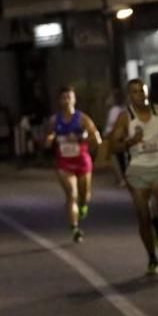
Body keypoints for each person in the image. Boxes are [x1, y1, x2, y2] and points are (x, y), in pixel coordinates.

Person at [108, 79, 158, 276]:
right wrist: (130, 141)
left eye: (141, 90)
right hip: (137, 169)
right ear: (129, 96)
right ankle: (152, 257)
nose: (139, 94)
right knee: (142, 215)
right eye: (134, 92)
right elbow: (112, 146)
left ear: (147, 91)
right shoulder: (125, 118)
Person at [45, 86, 102, 242]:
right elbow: (47, 141)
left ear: (74, 99)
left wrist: (82, 138)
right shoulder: (54, 120)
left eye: (69, 97)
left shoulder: (82, 118)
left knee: (84, 196)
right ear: (59, 101)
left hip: (82, 160)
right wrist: (50, 140)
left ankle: (83, 205)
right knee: (71, 194)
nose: (67, 101)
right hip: (64, 162)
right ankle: (75, 228)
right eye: (63, 98)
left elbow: (97, 139)